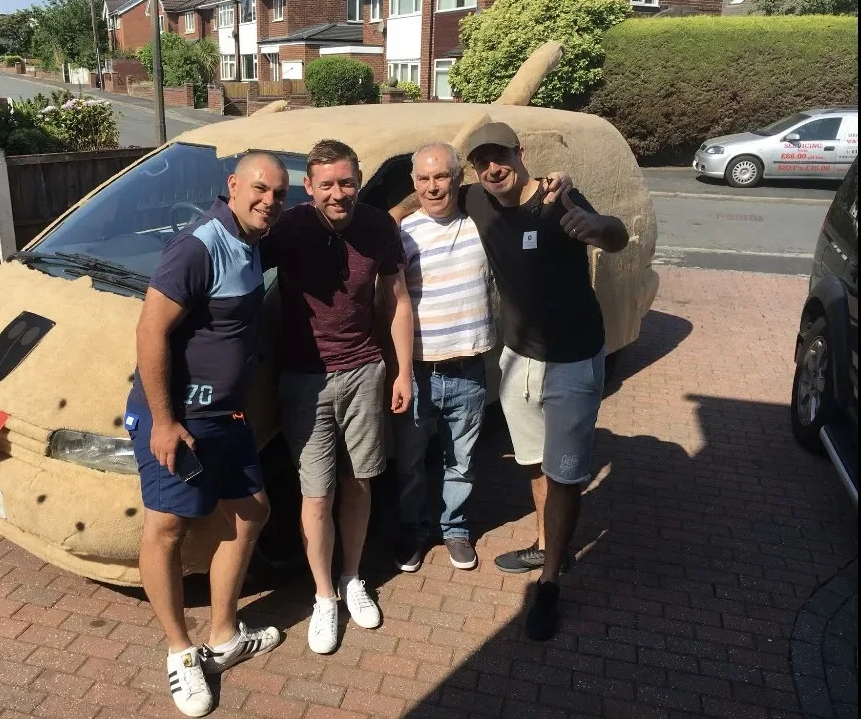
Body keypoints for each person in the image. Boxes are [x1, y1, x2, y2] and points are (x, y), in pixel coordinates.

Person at [127, 152, 291, 716]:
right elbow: (151, 330)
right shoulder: (200, 244)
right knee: (167, 528)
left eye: (279, 193)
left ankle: (222, 636)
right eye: (259, 188)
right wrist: (165, 421)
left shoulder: (250, 240)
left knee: (251, 514)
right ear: (233, 187)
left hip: (228, 418)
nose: (269, 200)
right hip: (181, 418)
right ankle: (179, 652)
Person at [459, 122, 630, 641]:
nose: (493, 168)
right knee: (533, 460)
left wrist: (594, 226)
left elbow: (615, 233)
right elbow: (428, 187)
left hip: (573, 358)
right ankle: (544, 539)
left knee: (565, 473)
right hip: (519, 359)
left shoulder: (560, 197)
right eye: (482, 161)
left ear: (521, 153)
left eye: (501, 156)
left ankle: (551, 580)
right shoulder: (479, 199)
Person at [391, 143, 576, 573]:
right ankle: (414, 531)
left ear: (458, 179)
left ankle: (454, 529)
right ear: (413, 183)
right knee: (411, 465)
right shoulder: (400, 233)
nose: (433, 187)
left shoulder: (483, 224)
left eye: (442, 177)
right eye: (424, 179)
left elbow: (519, 194)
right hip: (418, 370)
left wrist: (556, 179)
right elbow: (390, 303)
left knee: (462, 462)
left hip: (469, 370)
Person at [260, 139, 414, 655]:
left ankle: (352, 578)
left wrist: (402, 372)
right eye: (326, 184)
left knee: (360, 484)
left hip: (365, 372)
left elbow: (395, 299)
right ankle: (324, 595)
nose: (338, 193)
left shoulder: (378, 228)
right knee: (316, 493)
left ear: (358, 180)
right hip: (305, 380)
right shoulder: (288, 229)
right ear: (310, 186)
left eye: (346, 182)